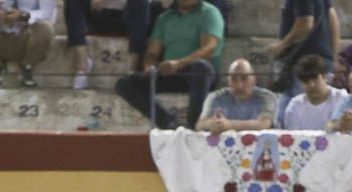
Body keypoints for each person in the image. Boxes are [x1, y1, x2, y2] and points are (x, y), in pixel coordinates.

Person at [114, 0, 224, 130]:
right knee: (124, 83)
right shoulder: (165, 18)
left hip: (198, 74)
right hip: (170, 72)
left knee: (201, 67)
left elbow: (209, 48)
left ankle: (194, 126)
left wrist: (179, 63)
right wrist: (150, 66)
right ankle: (167, 122)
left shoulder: (210, 12)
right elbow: (152, 52)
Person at [269, 0, 340, 127]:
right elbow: (332, 18)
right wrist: (333, 56)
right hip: (318, 60)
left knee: (300, 116)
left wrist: (282, 45)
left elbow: (305, 23)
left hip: (305, 67)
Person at [65, 0, 151, 90]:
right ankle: (82, 66)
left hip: (126, 19)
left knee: (140, 2)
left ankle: (131, 72)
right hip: (97, 16)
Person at [195, 58, 277, 133]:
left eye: (244, 78)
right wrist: (213, 123)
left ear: (254, 78)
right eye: (234, 79)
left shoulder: (267, 97)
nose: (239, 85)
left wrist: (229, 125)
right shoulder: (215, 97)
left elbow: (263, 125)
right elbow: (199, 125)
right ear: (228, 80)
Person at [282, 54, 348, 130]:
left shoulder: (342, 98)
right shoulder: (294, 107)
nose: (311, 85)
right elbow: (294, 139)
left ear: (325, 77)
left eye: (315, 79)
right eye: (306, 81)